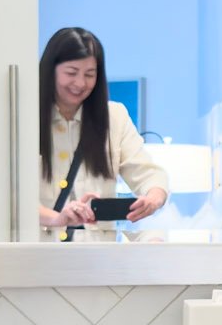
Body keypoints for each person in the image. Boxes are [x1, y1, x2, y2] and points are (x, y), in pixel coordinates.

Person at [36, 26, 168, 241]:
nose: (80, 83)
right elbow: (10, 199)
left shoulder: (114, 117)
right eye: (71, 73)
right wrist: (56, 218)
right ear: (51, 70)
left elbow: (147, 173)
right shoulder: (26, 120)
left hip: (97, 259)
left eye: (89, 74)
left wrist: (153, 197)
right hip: (39, 256)